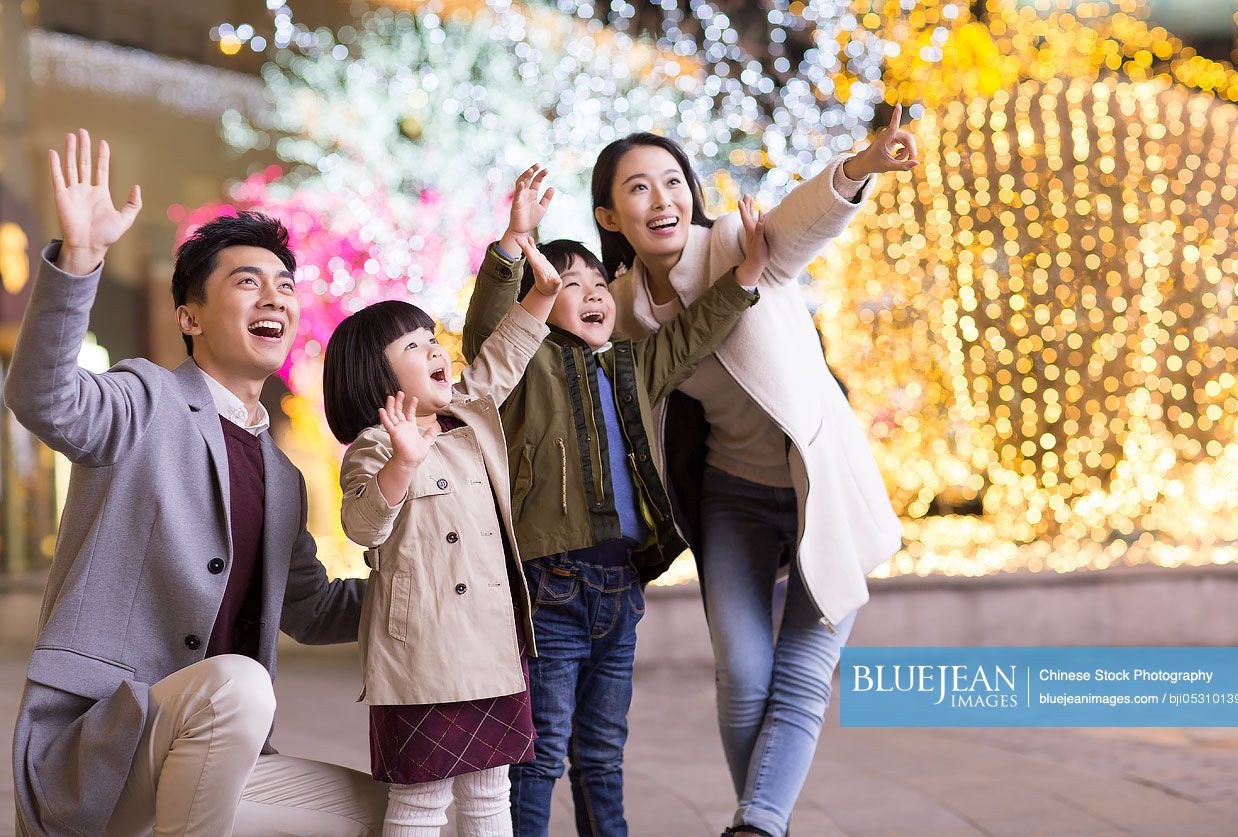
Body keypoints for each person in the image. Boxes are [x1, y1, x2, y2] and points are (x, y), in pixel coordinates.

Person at [6, 130, 386, 836]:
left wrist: (442, 579)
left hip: (210, 760)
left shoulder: (280, 472)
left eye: (284, 285)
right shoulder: (142, 400)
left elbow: (311, 608)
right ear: (190, 317)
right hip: (100, 755)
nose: (273, 296)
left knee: (403, 811)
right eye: (247, 282)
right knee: (241, 682)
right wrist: (80, 260)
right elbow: (43, 398)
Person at [591, 107, 919, 837]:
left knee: (802, 674)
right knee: (742, 674)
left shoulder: (738, 244)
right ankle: (762, 824)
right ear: (610, 216)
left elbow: (802, 221)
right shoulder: (620, 310)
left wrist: (860, 166)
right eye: (638, 189)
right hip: (730, 495)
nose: (662, 199)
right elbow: (551, 358)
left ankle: (757, 824)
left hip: (820, 492)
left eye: (672, 181)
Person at [462, 165, 768, 837]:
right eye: (571, 285)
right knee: (539, 754)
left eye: (600, 283)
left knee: (601, 754)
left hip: (620, 588)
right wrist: (517, 238)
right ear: (541, 301)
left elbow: (690, 339)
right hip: (551, 587)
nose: (594, 293)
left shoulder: (629, 365)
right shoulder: (523, 367)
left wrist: (745, 273)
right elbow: (491, 329)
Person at [323, 173, 564, 836]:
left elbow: (503, 358)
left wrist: (539, 289)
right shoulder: (373, 447)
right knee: (421, 800)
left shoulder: (468, 415)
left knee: (490, 795)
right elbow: (362, 525)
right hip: (420, 654)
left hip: (491, 643)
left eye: (432, 337)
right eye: (412, 344)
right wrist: (403, 459)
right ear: (376, 375)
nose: (434, 348)